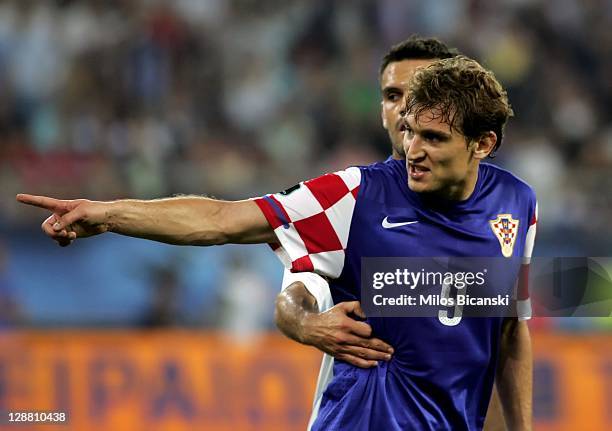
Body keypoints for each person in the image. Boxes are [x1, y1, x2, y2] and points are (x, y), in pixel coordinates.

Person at [17, 55, 534, 430]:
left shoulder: (517, 204)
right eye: (409, 131)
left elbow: (509, 328)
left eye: (434, 139)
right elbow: (223, 219)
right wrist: (109, 214)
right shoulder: (356, 195)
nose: (412, 150)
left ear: (482, 144)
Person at [275, 36, 508, 431]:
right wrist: (307, 323)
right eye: (392, 95)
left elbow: (496, 345)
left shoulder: (502, 207)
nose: (405, 108)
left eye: (420, 92)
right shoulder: (351, 200)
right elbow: (295, 294)